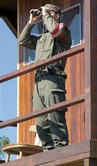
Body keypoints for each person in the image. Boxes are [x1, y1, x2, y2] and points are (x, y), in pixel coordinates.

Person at [18, 4, 72, 151]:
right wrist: (31, 21)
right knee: (41, 122)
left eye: (49, 12)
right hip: (39, 81)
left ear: (57, 15)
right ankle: (49, 152)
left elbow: (55, 30)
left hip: (53, 78)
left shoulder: (63, 31)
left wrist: (45, 14)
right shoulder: (42, 38)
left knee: (55, 118)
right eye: (44, 13)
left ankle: (61, 151)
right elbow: (22, 40)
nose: (44, 15)